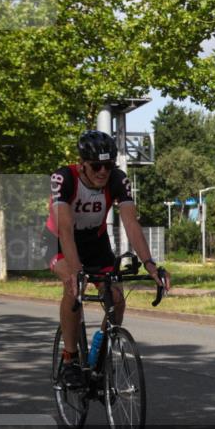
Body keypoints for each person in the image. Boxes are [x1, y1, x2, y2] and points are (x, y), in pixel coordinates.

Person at [47, 130, 170, 388]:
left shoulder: (117, 179)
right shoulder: (64, 178)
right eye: (96, 166)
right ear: (83, 164)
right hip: (60, 241)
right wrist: (77, 272)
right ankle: (70, 359)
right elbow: (66, 231)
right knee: (74, 286)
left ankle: (100, 349)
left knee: (116, 298)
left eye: (109, 165)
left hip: (96, 241)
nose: (103, 171)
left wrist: (150, 264)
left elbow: (131, 224)